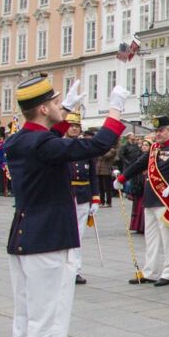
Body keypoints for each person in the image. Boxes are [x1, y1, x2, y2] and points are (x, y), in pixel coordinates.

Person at [6, 76, 127, 337]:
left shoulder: (18, 140)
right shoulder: (42, 144)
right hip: (48, 240)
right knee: (49, 318)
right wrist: (116, 109)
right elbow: (96, 145)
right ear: (44, 109)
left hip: (23, 237)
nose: (62, 107)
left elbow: (45, 141)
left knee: (24, 319)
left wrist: (67, 108)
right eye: (56, 103)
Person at [115, 116, 169, 287]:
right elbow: (138, 164)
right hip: (150, 199)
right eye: (156, 131)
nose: (158, 134)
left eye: (161, 130)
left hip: (166, 201)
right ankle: (149, 272)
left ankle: (168, 274)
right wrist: (122, 178)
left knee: (168, 240)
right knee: (151, 239)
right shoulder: (154, 149)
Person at [63, 112, 98, 286]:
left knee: (78, 235)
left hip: (83, 194)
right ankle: (63, 268)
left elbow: (93, 174)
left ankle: (75, 270)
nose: (75, 129)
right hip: (65, 195)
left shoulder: (85, 147)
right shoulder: (60, 145)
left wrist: (95, 198)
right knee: (64, 234)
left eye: (77, 126)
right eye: (71, 126)